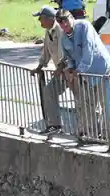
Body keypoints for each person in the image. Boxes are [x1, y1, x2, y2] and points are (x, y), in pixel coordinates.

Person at [58, 10, 110, 146]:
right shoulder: (63, 37)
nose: (64, 23)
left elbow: (88, 51)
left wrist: (78, 70)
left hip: (102, 71)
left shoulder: (84, 26)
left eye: (65, 19)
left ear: (72, 18)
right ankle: (94, 136)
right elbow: (68, 56)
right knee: (89, 107)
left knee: (107, 106)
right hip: (85, 76)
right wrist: (71, 68)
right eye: (60, 22)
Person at [33, 6, 66, 135]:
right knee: (49, 91)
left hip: (68, 69)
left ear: (48, 18)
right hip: (61, 70)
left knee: (80, 100)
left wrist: (61, 67)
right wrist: (40, 66)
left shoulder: (60, 29)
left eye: (40, 18)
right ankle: (55, 125)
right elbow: (46, 51)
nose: (39, 21)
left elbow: (63, 50)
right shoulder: (48, 31)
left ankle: (85, 131)